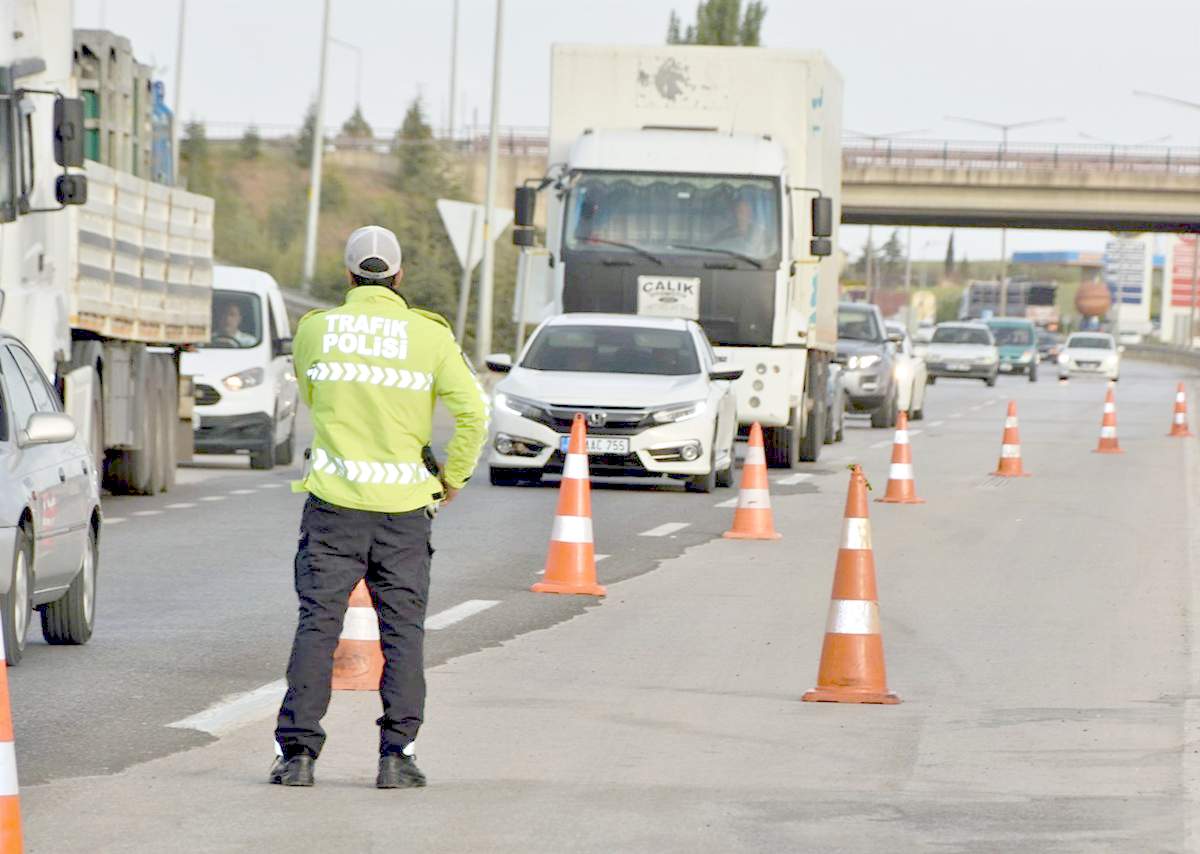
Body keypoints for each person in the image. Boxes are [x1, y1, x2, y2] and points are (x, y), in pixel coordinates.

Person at [271, 225, 489, 789]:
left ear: (348, 275)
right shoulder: (429, 335)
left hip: (333, 506)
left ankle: (297, 757)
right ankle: (397, 755)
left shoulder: (315, 330)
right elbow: (474, 414)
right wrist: (452, 479)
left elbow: (313, 397)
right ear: (399, 276)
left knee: (318, 626)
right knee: (403, 634)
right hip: (404, 513)